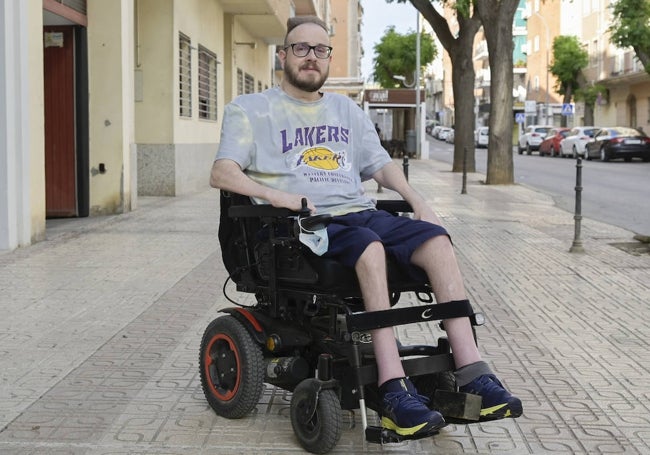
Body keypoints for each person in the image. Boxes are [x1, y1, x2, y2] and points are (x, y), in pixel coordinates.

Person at [210, 15, 522, 438]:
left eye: (320, 50)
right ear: (282, 56)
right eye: (300, 48)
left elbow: (379, 165)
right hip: (301, 225)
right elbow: (223, 173)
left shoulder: (346, 110)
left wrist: (417, 200)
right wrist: (281, 198)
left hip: (358, 213)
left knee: (436, 241)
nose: (311, 58)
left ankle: (472, 372)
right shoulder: (250, 109)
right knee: (369, 247)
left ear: (328, 60)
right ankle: (394, 390)